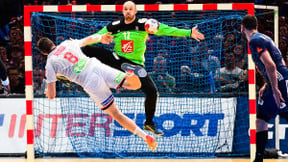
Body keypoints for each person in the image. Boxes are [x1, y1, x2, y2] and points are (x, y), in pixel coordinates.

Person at [81, 1, 205, 136]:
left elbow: (166, 29)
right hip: (117, 60)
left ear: (135, 11)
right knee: (86, 48)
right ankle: (72, 68)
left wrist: (188, 33)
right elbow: (96, 37)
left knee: (152, 91)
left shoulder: (145, 24)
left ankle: (149, 123)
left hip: (135, 66)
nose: (128, 11)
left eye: (130, 9)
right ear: (123, 11)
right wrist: (88, 40)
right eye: (125, 9)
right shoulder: (114, 26)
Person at [37, 36, 157, 151]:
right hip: (96, 66)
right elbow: (89, 39)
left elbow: (52, 95)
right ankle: (131, 73)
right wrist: (101, 37)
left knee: (116, 113)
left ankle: (145, 136)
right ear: (52, 43)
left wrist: (48, 92)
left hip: (89, 81)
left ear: (44, 53)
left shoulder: (50, 63)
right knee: (134, 85)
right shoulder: (66, 43)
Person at [241, 14, 288, 162]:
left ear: (242, 27)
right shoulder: (263, 38)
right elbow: (277, 63)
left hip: (280, 83)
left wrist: (275, 90)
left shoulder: (255, 41)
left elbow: (271, 65)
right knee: (261, 119)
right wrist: (267, 84)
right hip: (278, 81)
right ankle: (259, 158)